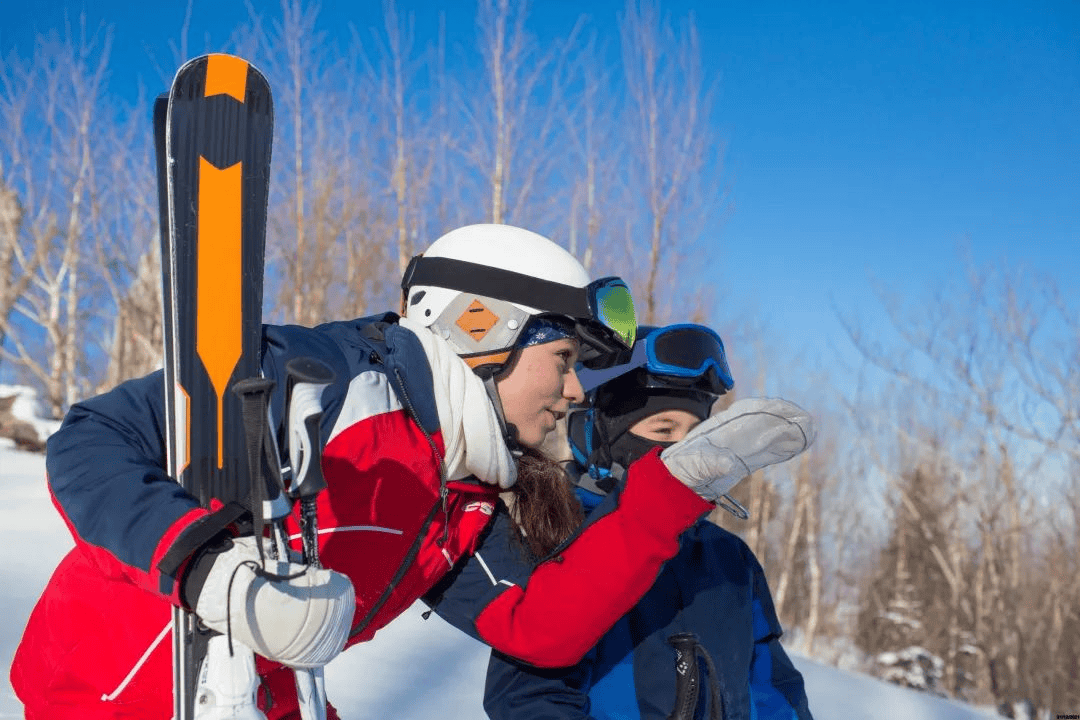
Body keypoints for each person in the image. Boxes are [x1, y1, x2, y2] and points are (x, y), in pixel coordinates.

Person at [10, 225, 810, 720]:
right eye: (564, 359)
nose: (574, 392)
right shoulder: (334, 376)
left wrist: (674, 488)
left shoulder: (460, 494)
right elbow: (95, 437)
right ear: (481, 329)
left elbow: (542, 627)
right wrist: (207, 570)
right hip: (107, 699)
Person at [473, 324, 816, 720]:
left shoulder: (729, 557)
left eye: (698, 433)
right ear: (597, 436)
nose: (684, 451)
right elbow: (529, 701)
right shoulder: (557, 539)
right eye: (663, 430)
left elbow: (773, 687)